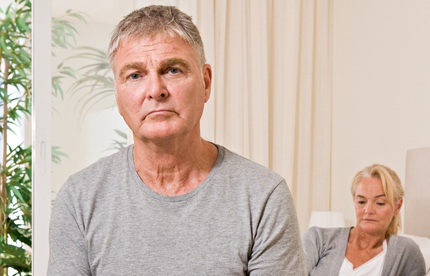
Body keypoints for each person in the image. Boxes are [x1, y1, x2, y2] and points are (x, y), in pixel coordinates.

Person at [47, 5, 307, 275]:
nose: (155, 90)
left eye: (172, 70)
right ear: (118, 95)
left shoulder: (263, 196)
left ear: (205, 83)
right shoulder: (79, 199)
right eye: (135, 75)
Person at [302, 164, 426, 276]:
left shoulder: (406, 252)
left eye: (380, 203)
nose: (368, 210)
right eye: (361, 202)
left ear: (397, 206)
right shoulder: (318, 239)